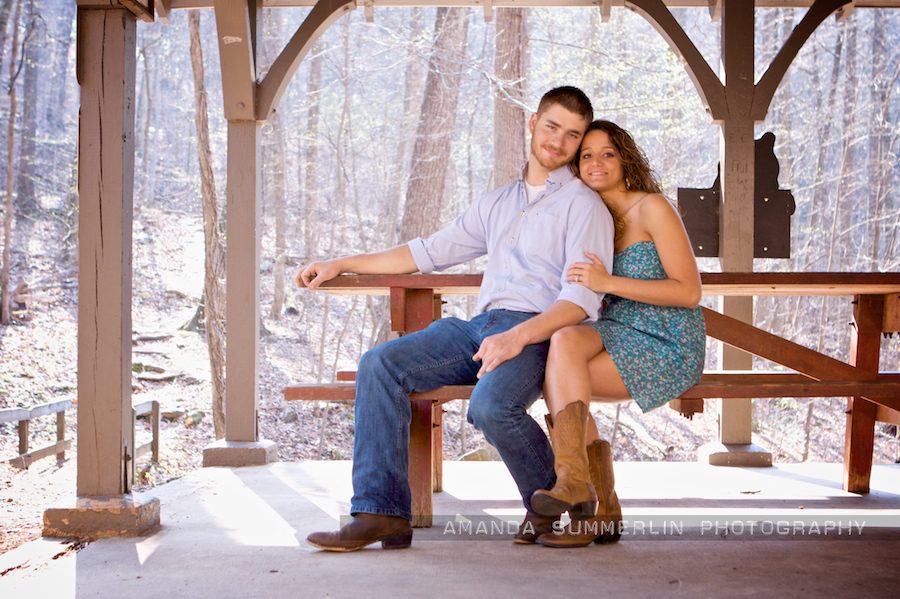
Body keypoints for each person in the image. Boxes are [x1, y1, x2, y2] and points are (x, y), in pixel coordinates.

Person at [298, 87, 615, 552]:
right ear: (532, 123)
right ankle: (379, 513)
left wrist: (516, 338)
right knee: (380, 364)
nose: (559, 142)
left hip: (538, 332)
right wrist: (343, 262)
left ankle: (558, 507)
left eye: (572, 135)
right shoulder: (497, 202)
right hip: (477, 327)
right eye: (552, 127)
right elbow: (426, 252)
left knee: (490, 406)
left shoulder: (583, 205)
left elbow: (582, 299)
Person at [529, 120, 706, 548]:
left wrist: (606, 282)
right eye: (586, 155)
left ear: (626, 159)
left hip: (665, 338)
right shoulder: (590, 216)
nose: (595, 162)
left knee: (561, 380)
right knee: (563, 342)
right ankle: (581, 489)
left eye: (607, 153)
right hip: (614, 329)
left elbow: (689, 292)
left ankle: (593, 510)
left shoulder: (651, 207)